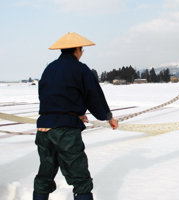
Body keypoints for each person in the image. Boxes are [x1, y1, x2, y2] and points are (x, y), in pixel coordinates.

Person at [33, 32, 118, 200]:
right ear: (77, 50)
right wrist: (108, 116)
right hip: (65, 130)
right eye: (82, 50)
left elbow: (49, 96)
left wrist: (76, 113)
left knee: (45, 173)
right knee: (80, 176)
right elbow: (94, 95)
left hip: (43, 128)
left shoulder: (49, 68)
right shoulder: (80, 68)